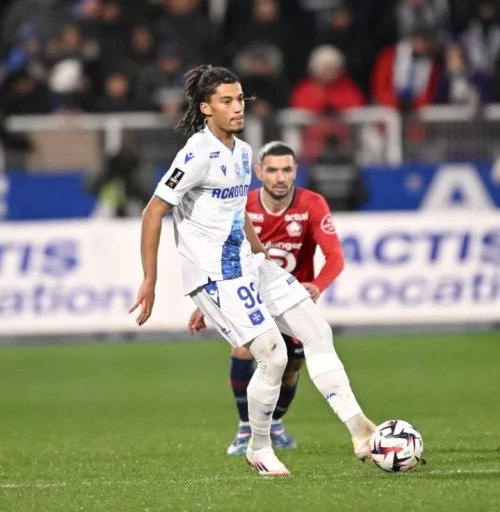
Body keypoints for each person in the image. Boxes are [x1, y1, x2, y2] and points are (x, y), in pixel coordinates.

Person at [129, 65, 375, 477]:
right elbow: (153, 211)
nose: (237, 107)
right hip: (215, 275)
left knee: (316, 331)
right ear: (206, 108)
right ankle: (259, 446)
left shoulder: (243, 153)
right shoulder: (195, 153)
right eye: (226, 101)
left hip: (249, 264)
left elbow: (237, 211)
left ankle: (360, 429)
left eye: (240, 98)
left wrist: (262, 259)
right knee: (273, 355)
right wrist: (151, 279)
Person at [186, 141, 345, 456]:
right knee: (245, 350)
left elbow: (335, 257)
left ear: (295, 171)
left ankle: (275, 424)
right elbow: (218, 257)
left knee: (290, 369)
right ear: (259, 173)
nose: (280, 177)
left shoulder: (312, 204)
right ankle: (246, 429)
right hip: (248, 297)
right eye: (272, 170)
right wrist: (204, 304)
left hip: (290, 299)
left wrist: (316, 285)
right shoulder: (240, 206)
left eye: (286, 169)